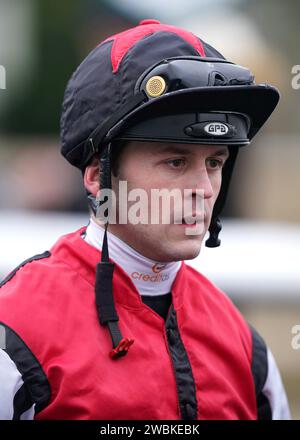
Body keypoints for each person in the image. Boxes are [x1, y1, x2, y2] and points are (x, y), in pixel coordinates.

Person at [0, 19, 291, 420]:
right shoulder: (15, 329)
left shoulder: (243, 345)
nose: (204, 188)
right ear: (98, 174)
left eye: (215, 162)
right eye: (175, 162)